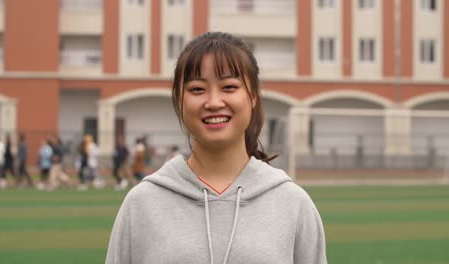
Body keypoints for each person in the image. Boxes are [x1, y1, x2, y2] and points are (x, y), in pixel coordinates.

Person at [106, 32, 327, 264]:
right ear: (178, 100)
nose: (213, 102)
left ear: (253, 96)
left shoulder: (292, 203)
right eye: (197, 89)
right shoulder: (142, 203)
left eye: (229, 87)